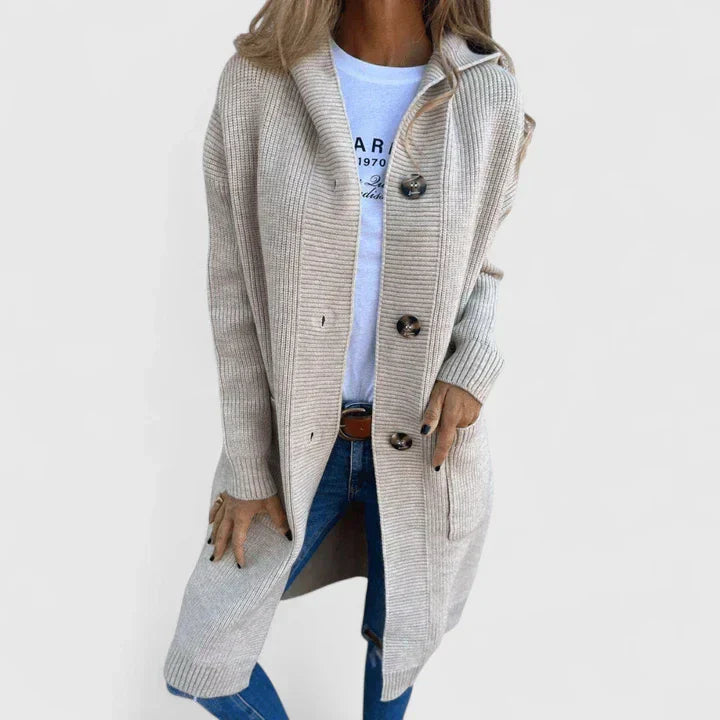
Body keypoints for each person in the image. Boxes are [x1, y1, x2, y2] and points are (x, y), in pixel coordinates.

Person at [163, 0, 533, 717]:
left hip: (427, 446)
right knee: (203, 661)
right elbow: (233, 289)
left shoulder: (485, 89)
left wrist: (473, 365)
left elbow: (483, 261)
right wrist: (248, 464)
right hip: (300, 448)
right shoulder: (259, 81)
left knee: (394, 651)